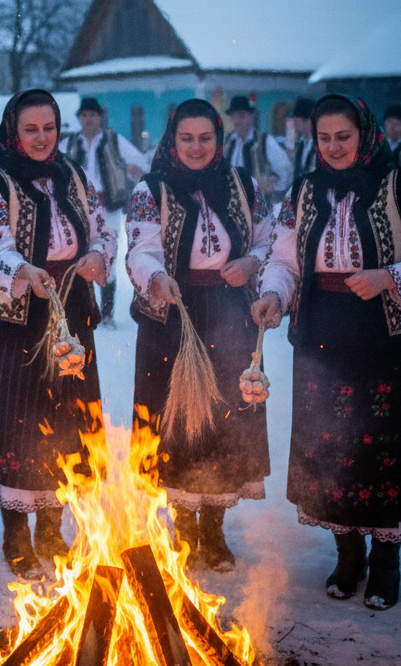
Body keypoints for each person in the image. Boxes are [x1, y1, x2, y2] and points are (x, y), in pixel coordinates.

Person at [253, 95, 401, 611]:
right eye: (324, 138)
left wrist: (388, 277)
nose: (332, 147)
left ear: (365, 135)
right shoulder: (305, 192)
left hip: (387, 335)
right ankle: (348, 554)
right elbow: (285, 258)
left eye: (343, 137)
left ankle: (386, 561)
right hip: (323, 335)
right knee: (330, 444)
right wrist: (274, 294)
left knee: (381, 447)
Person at [0, 90, 117, 579]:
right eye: (30, 129)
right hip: (13, 320)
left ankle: (51, 529)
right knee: (18, 425)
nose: (41, 137)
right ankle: (15, 535)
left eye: (49, 128)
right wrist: (24, 270)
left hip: (70, 312)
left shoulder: (73, 175)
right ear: (13, 132)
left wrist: (98, 255)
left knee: (65, 421)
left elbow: (103, 229)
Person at [126, 98, 273, 572]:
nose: (196, 147)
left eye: (205, 138)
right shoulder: (151, 189)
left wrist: (251, 262)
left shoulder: (242, 185)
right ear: (172, 141)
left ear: (219, 140)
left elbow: (271, 239)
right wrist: (155, 278)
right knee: (178, 423)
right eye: (186, 138)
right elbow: (140, 249)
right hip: (172, 316)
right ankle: (184, 528)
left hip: (231, 315)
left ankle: (214, 528)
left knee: (224, 418)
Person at [61, 96, 149, 322]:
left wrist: (133, 168)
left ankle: (107, 313)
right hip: (77, 207)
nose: (88, 119)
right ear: (80, 118)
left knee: (107, 254)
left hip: (107, 206)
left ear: (100, 117)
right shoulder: (69, 143)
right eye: (85, 115)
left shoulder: (114, 140)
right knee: (76, 254)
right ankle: (80, 309)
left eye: (93, 115)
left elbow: (141, 162)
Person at [223, 95, 292, 203]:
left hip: (257, 205)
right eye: (233, 116)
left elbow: (286, 170)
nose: (236, 121)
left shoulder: (265, 141)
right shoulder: (229, 142)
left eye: (241, 116)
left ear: (252, 116)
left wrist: (271, 183)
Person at [289, 96, 317, 183]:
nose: (294, 125)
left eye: (296, 122)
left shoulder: (320, 146)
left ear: (308, 121)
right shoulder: (300, 145)